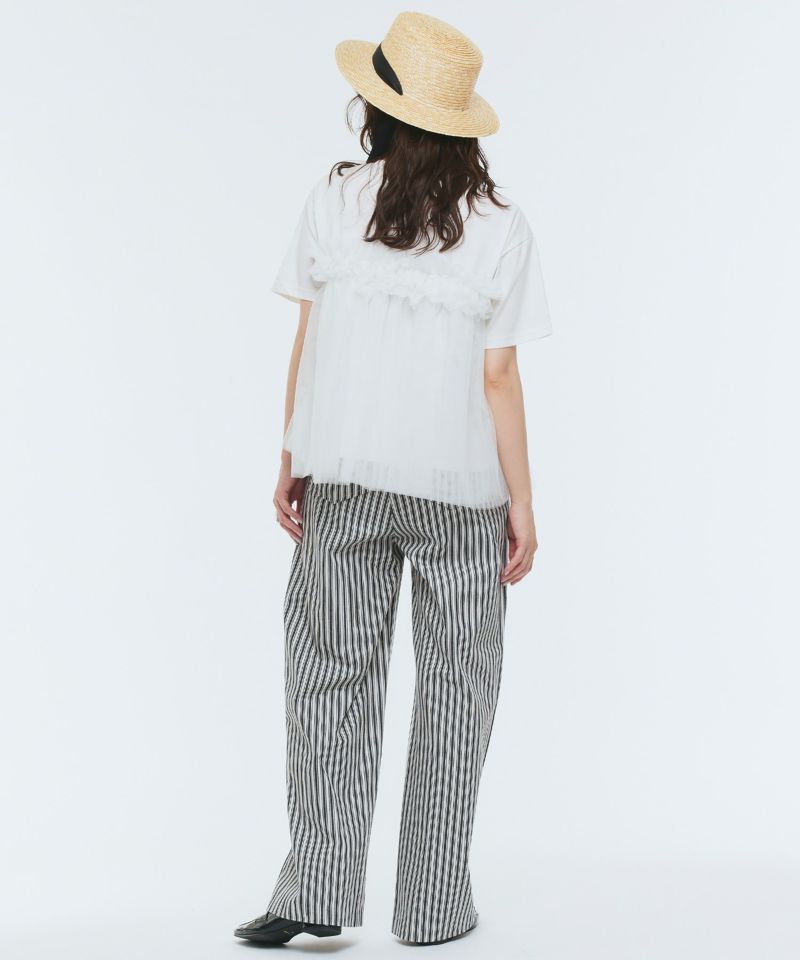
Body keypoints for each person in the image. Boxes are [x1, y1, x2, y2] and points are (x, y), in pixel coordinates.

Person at [234, 10, 552, 948]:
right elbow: (500, 376)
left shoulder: (336, 198)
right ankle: (433, 905)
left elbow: (310, 335)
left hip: (346, 474)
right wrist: (524, 502)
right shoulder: (501, 225)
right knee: (459, 688)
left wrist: (293, 453)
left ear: (376, 109)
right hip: (462, 491)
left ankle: (318, 891)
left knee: (329, 677)